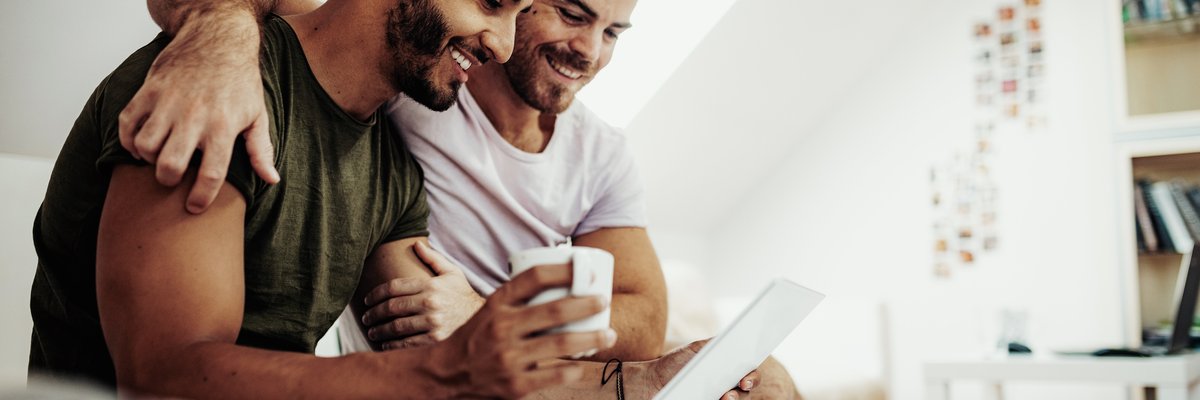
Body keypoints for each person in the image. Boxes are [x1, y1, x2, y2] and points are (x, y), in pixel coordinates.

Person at [124, 0, 800, 398]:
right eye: (570, 12)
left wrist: (646, 376)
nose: (591, 51)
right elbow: (162, 372)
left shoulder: (594, 151)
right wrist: (221, 30)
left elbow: (642, 317)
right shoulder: (411, 91)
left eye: (614, 33)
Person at [27, 0, 623, 398]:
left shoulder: (392, 169)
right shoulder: (211, 83)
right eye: (492, 1)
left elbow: (447, 349)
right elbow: (164, 376)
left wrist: (643, 382)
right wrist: (445, 369)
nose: (502, 41)